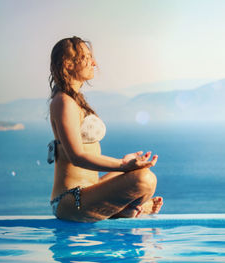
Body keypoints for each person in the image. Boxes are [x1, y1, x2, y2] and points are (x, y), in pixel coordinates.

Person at [48, 36, 163, 222]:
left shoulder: (74, 101)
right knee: (144, 179)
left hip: (89, 191)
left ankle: (122, 210)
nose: (94, 62)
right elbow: (76, 157)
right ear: (68, 64)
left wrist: (126, 165)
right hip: (70, 200)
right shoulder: (63, 102)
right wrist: (123, 165)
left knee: (142, 175)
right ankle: (122, 211)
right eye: (86, 57)